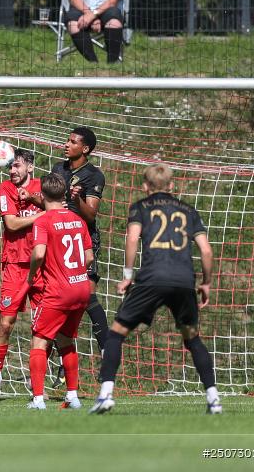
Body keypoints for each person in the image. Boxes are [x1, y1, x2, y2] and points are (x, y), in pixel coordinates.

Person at [90, 164, 221, 415]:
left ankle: (105, 395)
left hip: (151, 278)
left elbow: (131, 238)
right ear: (172, 186)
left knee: (116, 334)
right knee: (192, 338)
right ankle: (213, 399)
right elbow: (206, 250)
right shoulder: (189, 210)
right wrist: (206, 282)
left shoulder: (140, 207)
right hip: (183, 280)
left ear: (145, 187)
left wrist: (128, 275)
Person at [23, 126, 109, 360]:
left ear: (85, 148)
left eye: (72, 142)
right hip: (57, 236)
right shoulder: (58, 168)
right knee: (60, 295)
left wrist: (77, 199)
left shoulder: (94, 175)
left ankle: (107, 348)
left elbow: (90, 214)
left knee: (87, 293)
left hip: (81, 237)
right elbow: (50, 205)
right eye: (67, 140)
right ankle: (63, 355)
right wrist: (32, 198)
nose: (66, 144)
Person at [23, 172, 93, 410]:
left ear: (42, 195)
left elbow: (39, 253)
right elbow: (89, 257)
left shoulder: (43, 221)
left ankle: (38, 400)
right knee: (65, 340)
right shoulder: (78, 220)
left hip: (58, 291)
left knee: (39, 341)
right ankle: (72, 396)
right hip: (81, 287)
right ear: (64, 194)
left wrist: (32, 276)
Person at [0, 148, 43, 405]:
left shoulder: (44, 187)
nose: (12, 171)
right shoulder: (5, 188)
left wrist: (37, 202)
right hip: (14, 266)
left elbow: (61, 207)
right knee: (5, 323)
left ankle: (36, 382)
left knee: (41, 327)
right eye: (10, 166)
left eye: (17, 166)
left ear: (30, 167)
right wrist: (43, 214)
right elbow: (12, 224)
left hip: (43, 265)